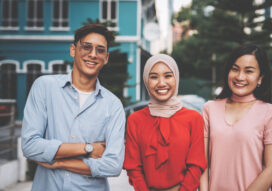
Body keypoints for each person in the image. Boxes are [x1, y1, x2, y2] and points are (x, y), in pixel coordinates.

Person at [21, 24, 125, 191]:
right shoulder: (45, 87)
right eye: (86, 47)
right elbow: (30, 146)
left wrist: (60, 162)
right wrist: (88, 148)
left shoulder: (113, 105)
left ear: (106, 58)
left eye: (100, 50)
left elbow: (113, 165)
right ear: (73, 50)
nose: (92, 54)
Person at [200, 44, 272, 191]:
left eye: (249, 71)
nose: (240, 77)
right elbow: (202, 164)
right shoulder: (209, 109)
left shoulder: (269, 112)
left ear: (260, 78)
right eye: (235, 69)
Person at [123, 54, 207, 191]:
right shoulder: (135, 120)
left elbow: (196, 165)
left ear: (176, 78)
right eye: (154, 77)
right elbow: (133, 166)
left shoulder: (193, 118)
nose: (161, 83)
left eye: (168, 76)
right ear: (146, 80)